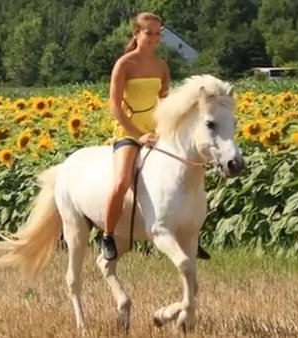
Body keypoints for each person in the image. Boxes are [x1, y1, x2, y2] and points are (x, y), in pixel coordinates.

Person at [101, 12, 211, 262]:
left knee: (192, 172)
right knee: (121, 182)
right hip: (129, 133)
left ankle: (191, 234)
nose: (153, 38)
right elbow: (115, 106)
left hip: (158, 132)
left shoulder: (162, 66)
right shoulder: (124, 64)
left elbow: (165, 102)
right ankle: (107, 235)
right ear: (136, 34)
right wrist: (139, 135)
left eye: (158, 33)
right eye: (148, 32)